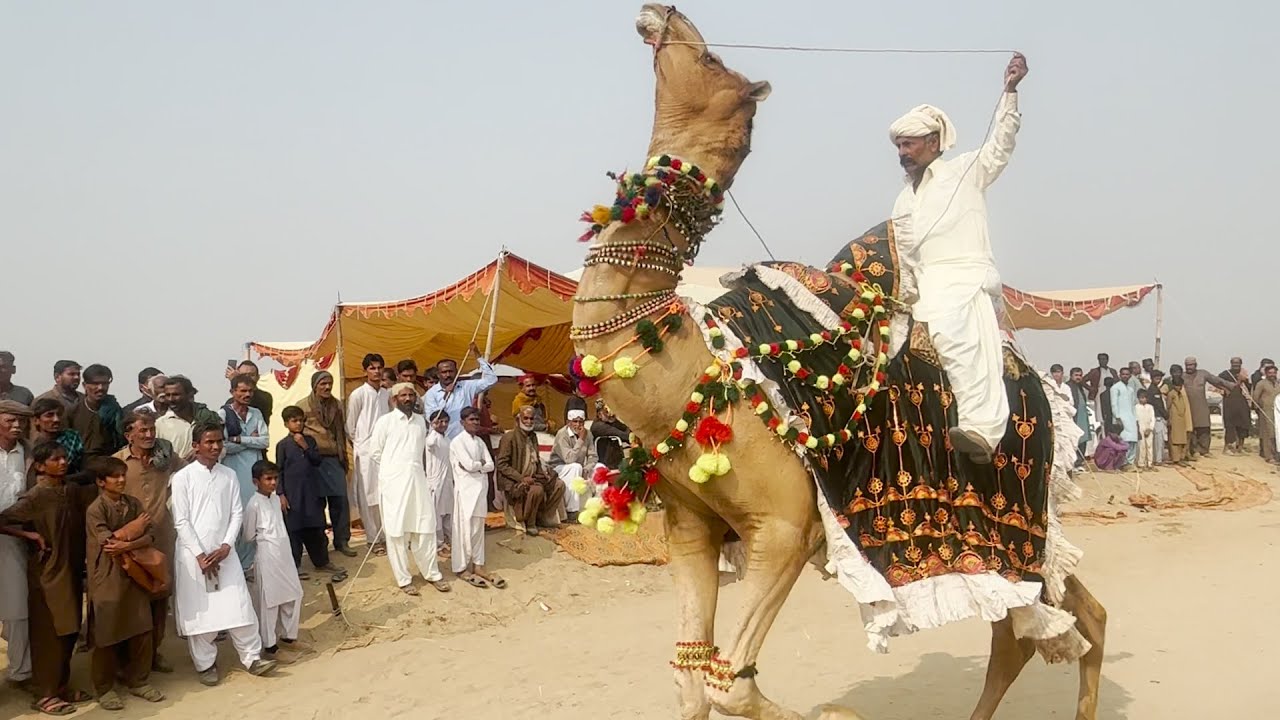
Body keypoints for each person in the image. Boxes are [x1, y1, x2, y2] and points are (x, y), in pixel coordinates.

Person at [887, 53, 1028, 462]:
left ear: (933, 143)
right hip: (919, 287)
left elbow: (1001, 146)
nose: (903, 152)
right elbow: (903, 250)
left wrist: (1010, 93)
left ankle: (981, 431)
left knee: (954, 335)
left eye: (909, 144)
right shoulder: (902, 198)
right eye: (899, 146)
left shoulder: (967, 170)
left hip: (963, 281)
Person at [170, 423, 277, 686]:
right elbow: (181, 520)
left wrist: (227, 546)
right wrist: (199, 555)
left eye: (219, 441)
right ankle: (205, 664)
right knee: (202, 614)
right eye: (209, 442)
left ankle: (252, 658)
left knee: (239, 604)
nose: (216, 446)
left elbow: (237, 513)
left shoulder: (228, 475)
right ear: (196, 446)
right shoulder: (182, 478)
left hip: (224, 554)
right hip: (193, 556)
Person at [0, 442, 97, 715]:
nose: (63, 462)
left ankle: (61, 687)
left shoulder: (71, 490)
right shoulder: (35, 497)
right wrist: (29, 535)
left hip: (70, 571)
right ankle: (45, 694)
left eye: (65, 457)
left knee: (68, 631)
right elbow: (2, 520)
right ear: (40, 466)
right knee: (49, 634)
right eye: (55, 459)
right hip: (46, 574)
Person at [83, 456, 165, 710]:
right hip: (107, 576)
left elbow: (150, 534)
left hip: (135, 574)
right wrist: (133, 530)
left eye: (122, 475)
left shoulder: (133, 503)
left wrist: (129, 543)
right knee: (107, 633)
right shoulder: (96, 509)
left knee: (141, 627)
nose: (121, 480)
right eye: (115, 476)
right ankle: (104, 688)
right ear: (100, 482)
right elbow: (108, 544)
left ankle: (138, 681)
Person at [113, 411, 181, 674]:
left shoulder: (165, 458)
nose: (149, 434)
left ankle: (154, 653)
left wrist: (170, 495)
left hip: (161, 537)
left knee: (159, 596)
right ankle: (126, 660)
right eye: (142, 430)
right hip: (129, 542)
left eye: (152, 429)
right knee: (130, 599)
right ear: (128, 434)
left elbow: (189, 473)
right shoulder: (117, 462)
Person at [371, 384, 449, 595]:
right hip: (394, 485)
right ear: (394, 399)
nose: (407, 398)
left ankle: (432, 574)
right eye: (403, 395)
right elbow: (375, 453)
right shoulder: (384, 422)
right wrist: (395, 471)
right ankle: (404, 579)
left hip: (418, 482)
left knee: (425, 527)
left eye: (410, 395)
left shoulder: (420, 423)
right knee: (397, 532)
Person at [242, 460, 306, 663]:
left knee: (293, 594)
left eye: (275, 478)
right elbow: (248, 535)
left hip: (284, 554)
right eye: (268, 479)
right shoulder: (253, 504)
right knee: (270, 603)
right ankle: (270, 647)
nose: (273, 483)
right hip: (267, 556)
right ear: (256, 481)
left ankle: (288, 637)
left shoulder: (276, 500)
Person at [276, 406, 345, 579]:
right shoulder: (282, 445)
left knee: (316, 528)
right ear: (286, 424)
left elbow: (316, 461)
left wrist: (305, 446)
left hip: (312, 492)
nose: (298, 423)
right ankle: (296, 566)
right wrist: (281, 494)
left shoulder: (311, 441)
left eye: (300, 420)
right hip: (293, 494)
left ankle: (322, 562)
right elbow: (279, 471)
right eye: (294, 420)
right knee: (295, 530)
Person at [296, 370, 354, 558]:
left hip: (333, 458)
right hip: (313, 460)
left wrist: (343, 456)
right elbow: (297, 432)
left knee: (340, 500)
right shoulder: (302, 406)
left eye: (329, 383)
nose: (327, 387)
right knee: (317, 503)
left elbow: (340, 432)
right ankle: (320, 543)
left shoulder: (336, 405)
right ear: (315, 386)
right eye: (323, 383)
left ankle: (342, 541)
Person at [450, 407, 504, 589]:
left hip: (480, 490)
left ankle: (478, 565)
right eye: (471, 420)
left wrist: (478, 466)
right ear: (462, 422)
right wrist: (479, 465)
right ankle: (462, 567)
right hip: (465, 492)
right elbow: (468, 465)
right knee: (464, 529)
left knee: (478, 529)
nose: (475, 423)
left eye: (476, 420)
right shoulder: (457, 442)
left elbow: (490, 465)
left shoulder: (480, 442)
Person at [0, 400, 33, 692]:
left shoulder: (28, 453)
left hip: (15, 537)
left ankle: (21, 672)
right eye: (10, 420)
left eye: (21, 421)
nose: (17, 426)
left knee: (17, 606)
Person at [222, 374, 270, 572]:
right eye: (242, 390)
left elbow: (265, 441)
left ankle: (250, 565)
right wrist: (251, 440)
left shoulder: (256, 413)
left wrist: (240, 440)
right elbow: (223, 446)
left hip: (254, 473)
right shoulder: (223, 415)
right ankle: (238, 567)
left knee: (256, 519)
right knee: (238, 520)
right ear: (232, 392)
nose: (247, 394)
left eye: (250, 391)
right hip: (234, 473)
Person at [497, 406, 569, 535]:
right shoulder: (509, 437)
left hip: (533, 477)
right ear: (518, 419)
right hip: (515, 481)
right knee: (537, 490)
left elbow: (534, 460)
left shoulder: (533, 436)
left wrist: (543, 474)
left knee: (559, 484)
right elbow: (502, 464)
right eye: (526, 418)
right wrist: (521, 478)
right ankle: (530, 523)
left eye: (531, 418)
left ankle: (543, 517)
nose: (529, 421)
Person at [346, 354, 389, 554]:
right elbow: (351, 427)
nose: (376, 371)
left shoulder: (386, 395)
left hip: (385, 452)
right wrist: (364, 445)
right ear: (365, 371)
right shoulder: (358, 395)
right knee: (368, 496)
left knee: (384, 495)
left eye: (379, 367)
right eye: (372, 368)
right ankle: (373, 539)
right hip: (365, 453)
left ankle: (387, 535)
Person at [425, 343, 497, 439]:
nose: (447, 375)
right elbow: (433, 418)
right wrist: (446, 395)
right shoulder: (431, 393)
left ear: (456, 371)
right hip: (443, 439)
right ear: (438, 374)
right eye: (444, 372)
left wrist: (478, 356)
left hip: (465, 439)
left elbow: (491, 379)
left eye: (450, 371)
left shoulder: (466, 386)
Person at [64, 363, 125, 459]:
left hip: (110, 462)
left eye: (104, 384)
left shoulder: (115, 410)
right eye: (95, 384)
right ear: (84, 385)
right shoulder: (72, 412)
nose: (100, 388)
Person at [155, 376, 220, 460]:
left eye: (176, 394)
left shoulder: (208, 418)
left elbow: (223, 446)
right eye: (168, 395)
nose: (171, 399)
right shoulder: (160, 425)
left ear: (189, 395)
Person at [549, 408, 596, 519]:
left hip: (578, 468)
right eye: (575, 421)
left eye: (581, 422)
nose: (578, 425)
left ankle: (597, 508)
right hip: (559, 468)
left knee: (599, 468)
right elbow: (569, 459)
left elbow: (593, 456)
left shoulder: (587, 434)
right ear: (568, 422)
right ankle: (572, 511)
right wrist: (580, 440)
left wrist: (587, 469)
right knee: (575, 467)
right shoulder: (562, 434)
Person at [1182, 356, 1231, 458]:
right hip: (1188, 407)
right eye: (1187, 365)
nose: (1189, 367)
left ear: (1195, 365)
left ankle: (1204, 450)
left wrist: (1230, 385)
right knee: (1192, 430)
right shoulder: (1182, 376)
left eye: (1191, 365)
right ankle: (1194, 450)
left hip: (1202, 406)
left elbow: (1216, 380)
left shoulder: (1202, 374)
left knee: (1204, 428)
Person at [30, 398, 85, 475]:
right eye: (49, 415)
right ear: (36, 420)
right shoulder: (31, 445)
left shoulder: (71, 437)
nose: (56, 419)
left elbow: (84, 465)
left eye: (59, 415)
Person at [425, 410, 454, 553]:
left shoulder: (447, 439)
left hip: (448, 481)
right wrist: (433, 427)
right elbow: (429, 443)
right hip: (435, 482)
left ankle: (449, 539)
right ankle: (438, 544)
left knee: (448, 512)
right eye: (439, 421)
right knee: (436, 515)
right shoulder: (433, 438)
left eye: (445, 421)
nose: (443, 424)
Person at [1218, 357, 1252, 455]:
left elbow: (1249, 388)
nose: (1235, 366)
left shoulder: (1244, 374)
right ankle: (1227, 447)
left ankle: (1240, 447)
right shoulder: (1224, 374)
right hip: (1230, 403)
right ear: (1231, 364)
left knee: (1243, 424)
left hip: (1242, 403)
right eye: (1234, 364)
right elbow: (1219, 385)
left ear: (1241, 364)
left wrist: (1244, 380)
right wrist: (1238, 381)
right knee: (1230, 425)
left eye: (1238, 364)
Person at [1110, 367, 1138, 467]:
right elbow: (1114, 404)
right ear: (1119, 375)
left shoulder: (1130, 389)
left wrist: (1136, 419)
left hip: (1131, 418)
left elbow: (1133, 405)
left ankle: (1130, 462)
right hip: (1121, 418)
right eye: (1123, 374)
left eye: (1127, 374)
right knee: (1124, 441)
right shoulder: (1115, 388)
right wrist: (1117, 418)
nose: (1125, 376)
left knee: (1133, 441)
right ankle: (1123, 463)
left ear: (1130, 376)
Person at [1252, 364, 1280, 463]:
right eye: (1270, 373)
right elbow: (1255, 397)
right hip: (1265, 411)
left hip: (1277, 412)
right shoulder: (1261, 383)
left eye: (1274, 373)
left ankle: (1277, 455)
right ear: (1266, 373)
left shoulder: (1278, 383)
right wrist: (1258, 409)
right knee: (1267, 434)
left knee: (1276, 434)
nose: (1272, 374)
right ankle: (1269, 456)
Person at [1083, 353, 1119, 425]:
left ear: (1107, 360)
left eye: (1104, 359)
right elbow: (1083, 380)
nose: (1102, 361)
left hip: (1112, 393)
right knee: (1101, 415)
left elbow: (1117, 381)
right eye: (1100, 359)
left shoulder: (1112, 371)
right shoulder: (1094, 371)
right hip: (1099, 393)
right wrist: (1091, 389)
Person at [1165, 376, 1193, 465]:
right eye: (1177, 385)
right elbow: (1168, 407)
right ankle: (1175, 458)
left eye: (1180, 385)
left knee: (1182, 439)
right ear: (1173, 385)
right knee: (1175, 439)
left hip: (1182, 418)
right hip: (1174, 418)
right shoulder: (1171, 394)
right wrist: (1169, 419)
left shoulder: (1180, 394)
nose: (1179, 387)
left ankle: (1181, 457)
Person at [1067, 367, 1091, 466]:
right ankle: (1074, 462)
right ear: (1071, 376)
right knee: (1074, 439)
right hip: (1074, 417)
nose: (1078, 377)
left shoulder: (1080, 386)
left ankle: (1080, 461)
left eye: (1080, 375)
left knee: (1083, 438)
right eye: (1076, 375)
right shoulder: (1068, 387)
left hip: (1082, 416)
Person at [1147, 369, 1168, 466]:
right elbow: (1158, 405)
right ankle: (1158, 460)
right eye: (1156, 378)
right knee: (1158, 440)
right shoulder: (1153, 390)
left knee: (1158, 439)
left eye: (1160, 378)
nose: (1158, 380)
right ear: (1152, 378)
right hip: (1157, 417)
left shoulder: (1155, 389)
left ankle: (1157, 458)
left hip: (1157, 417)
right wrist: (1166, 415)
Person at [1135, 391, 1156, 470]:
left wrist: (1150, 428)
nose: (1143, 399)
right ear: (1138, 398)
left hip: (1148, 428)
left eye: (1144, 398)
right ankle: (1141, 463)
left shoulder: (1150, 407)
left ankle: (1150, 463)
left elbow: (1153, 419)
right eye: (1141, 398)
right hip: (1140, 428)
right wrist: (1138, 430)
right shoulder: (1136, 407)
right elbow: (1136, 419)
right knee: (1142, 446)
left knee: (1150, 446)